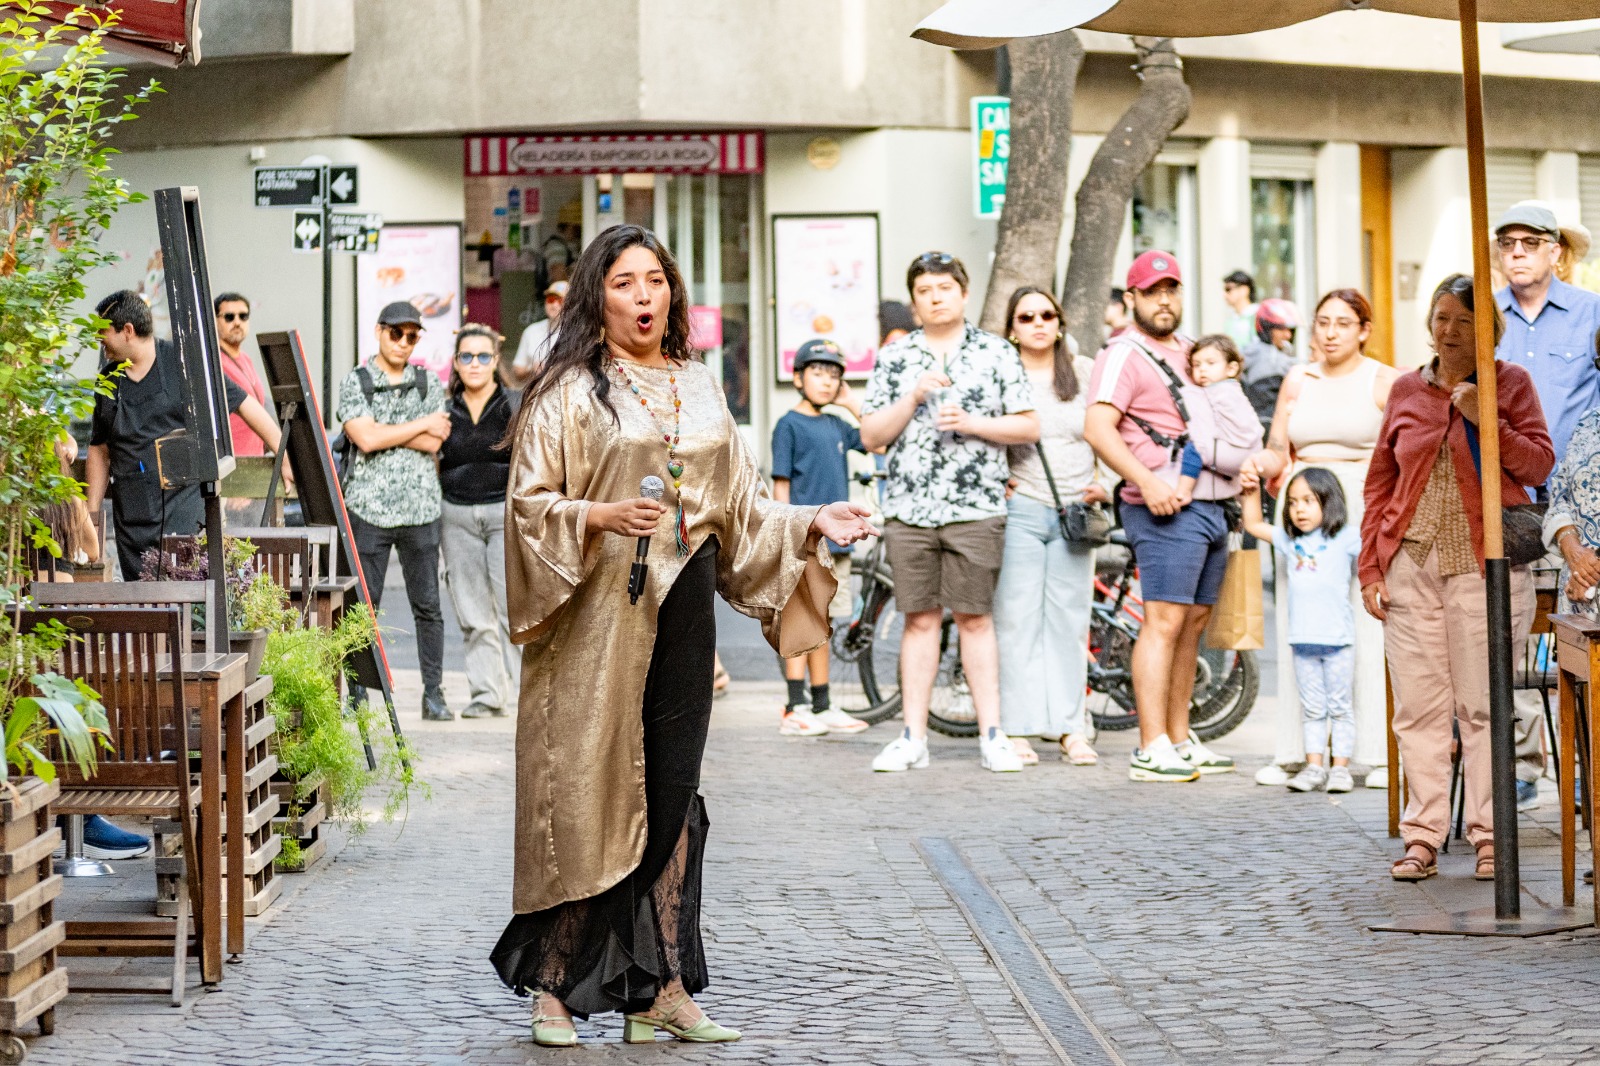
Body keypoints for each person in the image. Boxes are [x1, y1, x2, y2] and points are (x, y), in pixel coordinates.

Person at [489, 224, 873, 1046]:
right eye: (624, 282)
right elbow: (527, 507)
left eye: (655, 280)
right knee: (588, 784)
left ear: (673, 292)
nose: (643, 296)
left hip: (684, 601)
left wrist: (811, 519)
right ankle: (553, 987)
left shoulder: (699, 386)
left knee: (672, 785)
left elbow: (741, 505)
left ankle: (659, 988)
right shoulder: (569, 391)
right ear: (598, 297)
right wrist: (598, 514)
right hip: (595, 612)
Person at [1360, 273, 1552, 883]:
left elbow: (1538, 464)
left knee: (1484, 707)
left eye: (1464, 322)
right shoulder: (1405, 388)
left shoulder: (1510, 383)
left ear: (1488, 330)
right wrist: (1370, 565)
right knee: (1418, 710)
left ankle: (1491, 836)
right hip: (1410, 568)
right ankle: (1423, 837)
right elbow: (1380, 483)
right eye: (1442, 318)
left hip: (1484, 568)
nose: (1449, 331)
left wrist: (1483, 416)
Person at [859, 252, 1040, 775]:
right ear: (914, 301)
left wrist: (974, 423)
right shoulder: (896, 357)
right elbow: (871, 436)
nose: (935, 297)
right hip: (908, 507)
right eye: (925, 290)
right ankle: (913, 736)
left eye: (944, 288)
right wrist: (912, 397)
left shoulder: (996, 351)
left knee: (975, 619)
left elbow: (1028, 426)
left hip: (976, 507)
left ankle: (993, 735)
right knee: (919, 620)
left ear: (963, 293)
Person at [1082, 251, 1239, 783]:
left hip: (1211, 501)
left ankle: (1178, 737)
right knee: (1164, 622)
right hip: (1162, 506)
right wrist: (1146, 481)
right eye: (1152, 292)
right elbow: (1098, 428)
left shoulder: (1194, 350)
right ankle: (1150, 747)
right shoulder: (1124, 354)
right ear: (1132, 298)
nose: (1164, 300)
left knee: (1193, 624)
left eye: (1171, 289)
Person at [1242, 289, 1399, 790]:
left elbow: (1401, 453)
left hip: (1360, 501)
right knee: (1299, 621)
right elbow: (1278, 448)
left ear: (1364, 329)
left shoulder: (1384, 380)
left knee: (1366, 623)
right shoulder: (1298, 378)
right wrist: (1258, 464)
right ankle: (1296, 752)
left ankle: (1373, 754)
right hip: (1302, 504)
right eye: (1323, 322)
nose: (1331, 333)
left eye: (1343, 323)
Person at [1493, 200, 1600, 806]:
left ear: (1555, 251)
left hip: (1580, 509)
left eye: (1530, 243)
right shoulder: (1487, 316)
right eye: (1507, 243)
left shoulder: (1591, 312)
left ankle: (1587, 767)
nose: (1517, 253)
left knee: (1578, 636)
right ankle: (1525, 764)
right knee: (1511, 634)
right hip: (1509, 502)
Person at [86, 290, 283, 581]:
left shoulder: (184, 364)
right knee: (141, 599)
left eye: (103, 334)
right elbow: (99, 449)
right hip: (132, 516)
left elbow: (243, 403)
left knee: (188, 591)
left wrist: (283, 453)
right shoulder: (108, 380)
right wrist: (91, 515)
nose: (99, 342)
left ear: (127, 331)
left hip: (185, 509)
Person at [994, 286, 1105, 766]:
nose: (1038, 323)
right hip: (1022, 507)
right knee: (1016, 619)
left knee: (1069, 620)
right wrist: (997, 479)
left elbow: (1108, 429)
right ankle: (1017, 728)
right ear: (1012, 329)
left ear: (1059, 323)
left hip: (1076, 511)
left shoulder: (1084, 371)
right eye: (1026, 317)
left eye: (1046, 315)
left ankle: (1070, 728)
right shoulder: (1002, 373)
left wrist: (1106, 481)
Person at [337, 300, 454, 722]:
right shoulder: (357, 381)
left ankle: (433, 694)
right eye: (396, 333)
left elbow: (435, 441)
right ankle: (357, 693)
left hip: (421, 507)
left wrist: (382, 431)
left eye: (412, 336)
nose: (404, 342)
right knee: (362, 607)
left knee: (429, 606)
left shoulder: (428, 381)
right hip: (367, 507)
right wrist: (417, 426)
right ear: (379, 331)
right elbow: (364, 439)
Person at [769, 338, 871, 737]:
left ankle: (822, 704)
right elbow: (781, 485)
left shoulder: (837, 424)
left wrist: (850, 403)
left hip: (838, 540)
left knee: (823, 619)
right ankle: (795, 706)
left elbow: (876, 439)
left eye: (834, 375)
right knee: (800, 619)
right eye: (818, 372)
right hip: (804, 538)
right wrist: (786, 534)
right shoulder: (788, 425)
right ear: (798, 378)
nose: (827, 381)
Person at [1242, 470, 1361, 793]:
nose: (1299, 509)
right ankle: (1314, 768)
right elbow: (1253, 525)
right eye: (1293, 502)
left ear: (1329, 501)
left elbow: (1378, 548)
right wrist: (1251, 490)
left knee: (1340, 708)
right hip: (1302, 642)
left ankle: (1340, 770)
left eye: (1308, 501)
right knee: (1313, 709)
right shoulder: (1290, 540)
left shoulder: (1347, 538)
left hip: (1338, 641)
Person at [438, 324, 520, 720]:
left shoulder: (515, 404)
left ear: (495, 361)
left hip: (504, 512)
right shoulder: (443, 409)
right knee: (472, 611)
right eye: (466, 356)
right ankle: (487, 694)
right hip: (455, 514)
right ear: (456, 362)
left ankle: (528, 695)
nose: (474, 363)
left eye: (483, 356)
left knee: (513, 608)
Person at [1174, 335, 1263, 508]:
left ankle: (1184, 491)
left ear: (1231, 369)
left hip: (1236, 449)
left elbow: (1201, 420)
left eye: (1211, 363)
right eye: (1196, 365)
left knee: (1195, 448)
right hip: (1252, 453)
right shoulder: (1234, 389)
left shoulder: (1217, 391)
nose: (1202, 369)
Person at [213, 292, 269, 457]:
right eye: (229, 317)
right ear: (215, 321)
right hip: (232, 461)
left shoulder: (245, 359)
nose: (237, 322)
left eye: (243, 316)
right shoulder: (213, 362)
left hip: (256, 460)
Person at [1241, 298, 1302, 433]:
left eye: (1290, 330)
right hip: (1267, 428)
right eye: (1281, 329)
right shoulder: (1268, 359)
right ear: (1266, 329)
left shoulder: (1250, 352)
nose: (1287, 335)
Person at [509, 280, 568, 387]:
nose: (554, 305)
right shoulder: (531, 331)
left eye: (560, 301)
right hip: (537, 392)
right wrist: (533, 369)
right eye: (551, 299)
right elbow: (518, 372)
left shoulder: (580, 332)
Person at [1222, 270, 1258, 351]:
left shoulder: (1258, 315)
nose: (1224, 295)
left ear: (1244, 290)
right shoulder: (1230, 319)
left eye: (1228, 289)